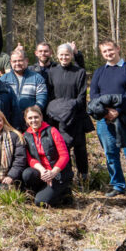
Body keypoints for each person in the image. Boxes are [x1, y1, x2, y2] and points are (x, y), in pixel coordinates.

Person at [89, 40, 126, 206]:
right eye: (104, 51)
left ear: (118, 49)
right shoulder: (99, 72)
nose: (108, 53)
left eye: (110, 50)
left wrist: (117, 111)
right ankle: (118, 185)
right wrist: (105, 113)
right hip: (105, 121)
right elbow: (93, 95)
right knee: (111, 155)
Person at [46, 43, 92, 182]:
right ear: (57, 55)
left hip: (76, 116)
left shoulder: (79, 72)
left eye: (67, 54)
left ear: (72, 55)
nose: (64, 57)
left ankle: (83, 177)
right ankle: (65, 177)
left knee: (80, 148)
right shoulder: (52, 72)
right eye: (61, 54)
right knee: (61, 148)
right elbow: (50, 95)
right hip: (57, 118)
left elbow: (82, 96)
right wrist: (57, 111)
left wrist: (70, 107)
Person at [22, 106, 72, 207]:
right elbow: (30, 159)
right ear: (26, 120)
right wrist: (42, 170)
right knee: (27, 174)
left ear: (41, 117)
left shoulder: (52, 131)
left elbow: (64, 155)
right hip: (43, 172)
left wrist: (53, 172)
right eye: (30, 118)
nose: (33, 120)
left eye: (36, 117)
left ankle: (64, 192)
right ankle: (43, 190)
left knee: (40, 203)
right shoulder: (25, 135)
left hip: (57, 173)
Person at [0, 47, 48, 130]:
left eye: (20, 60)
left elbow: (42, 98)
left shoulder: (37, 78)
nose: (17, 63)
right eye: (14, 61)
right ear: (10, 62)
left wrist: (33, 113)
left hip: (31, 123)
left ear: (27, 61)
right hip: (9, 121)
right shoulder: (3, 79)